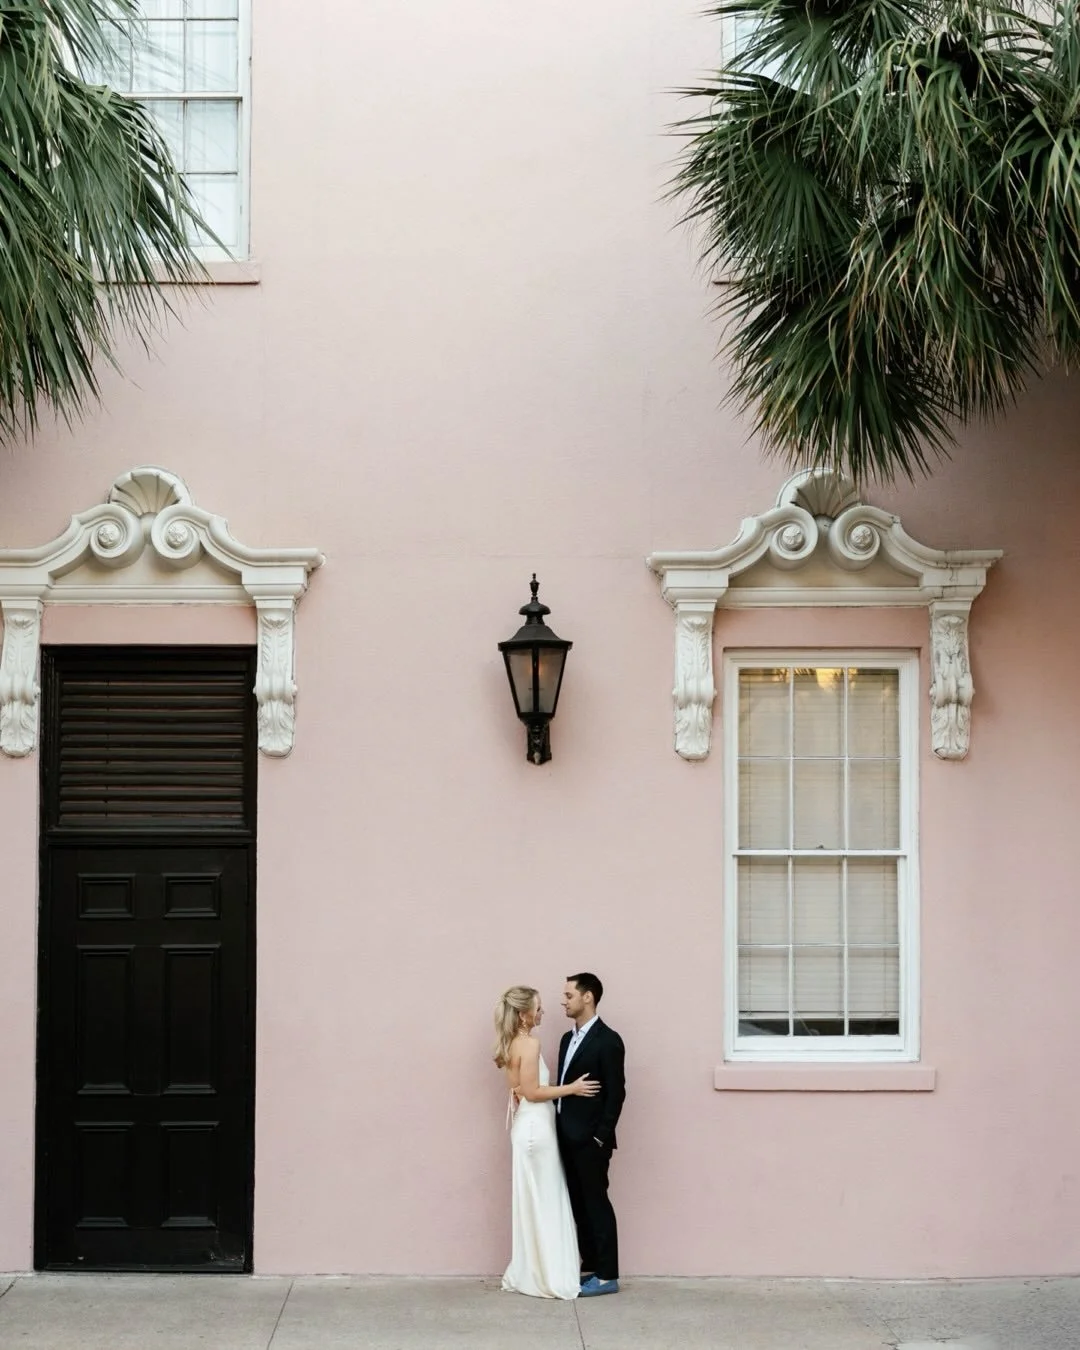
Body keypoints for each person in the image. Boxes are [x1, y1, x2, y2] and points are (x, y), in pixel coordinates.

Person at [494, 985, 599, 1299]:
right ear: (525, 1013)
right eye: (538, 1008)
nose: (543, 1013)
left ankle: (535, 1269)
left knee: (535, 1202)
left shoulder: (510, 1043)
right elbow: (532, 1092)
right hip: (535, 1129)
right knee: (547, 1199)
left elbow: (520, 1090)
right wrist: (572, 1088)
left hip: (527, 1127)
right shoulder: (529, 1043)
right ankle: (549, 1274)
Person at [556, 972, 626, 1297]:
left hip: (591, 1142)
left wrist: (600, 1137)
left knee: (596, 1204)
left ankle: (608, 1274)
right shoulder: (564, 1040)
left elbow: (616, 1093)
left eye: (569, 995)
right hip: (565, 1138)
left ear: (588, 997)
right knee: (578, 1205)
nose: (563, 1001)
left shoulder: (608, 1040)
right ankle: (590, 1269)